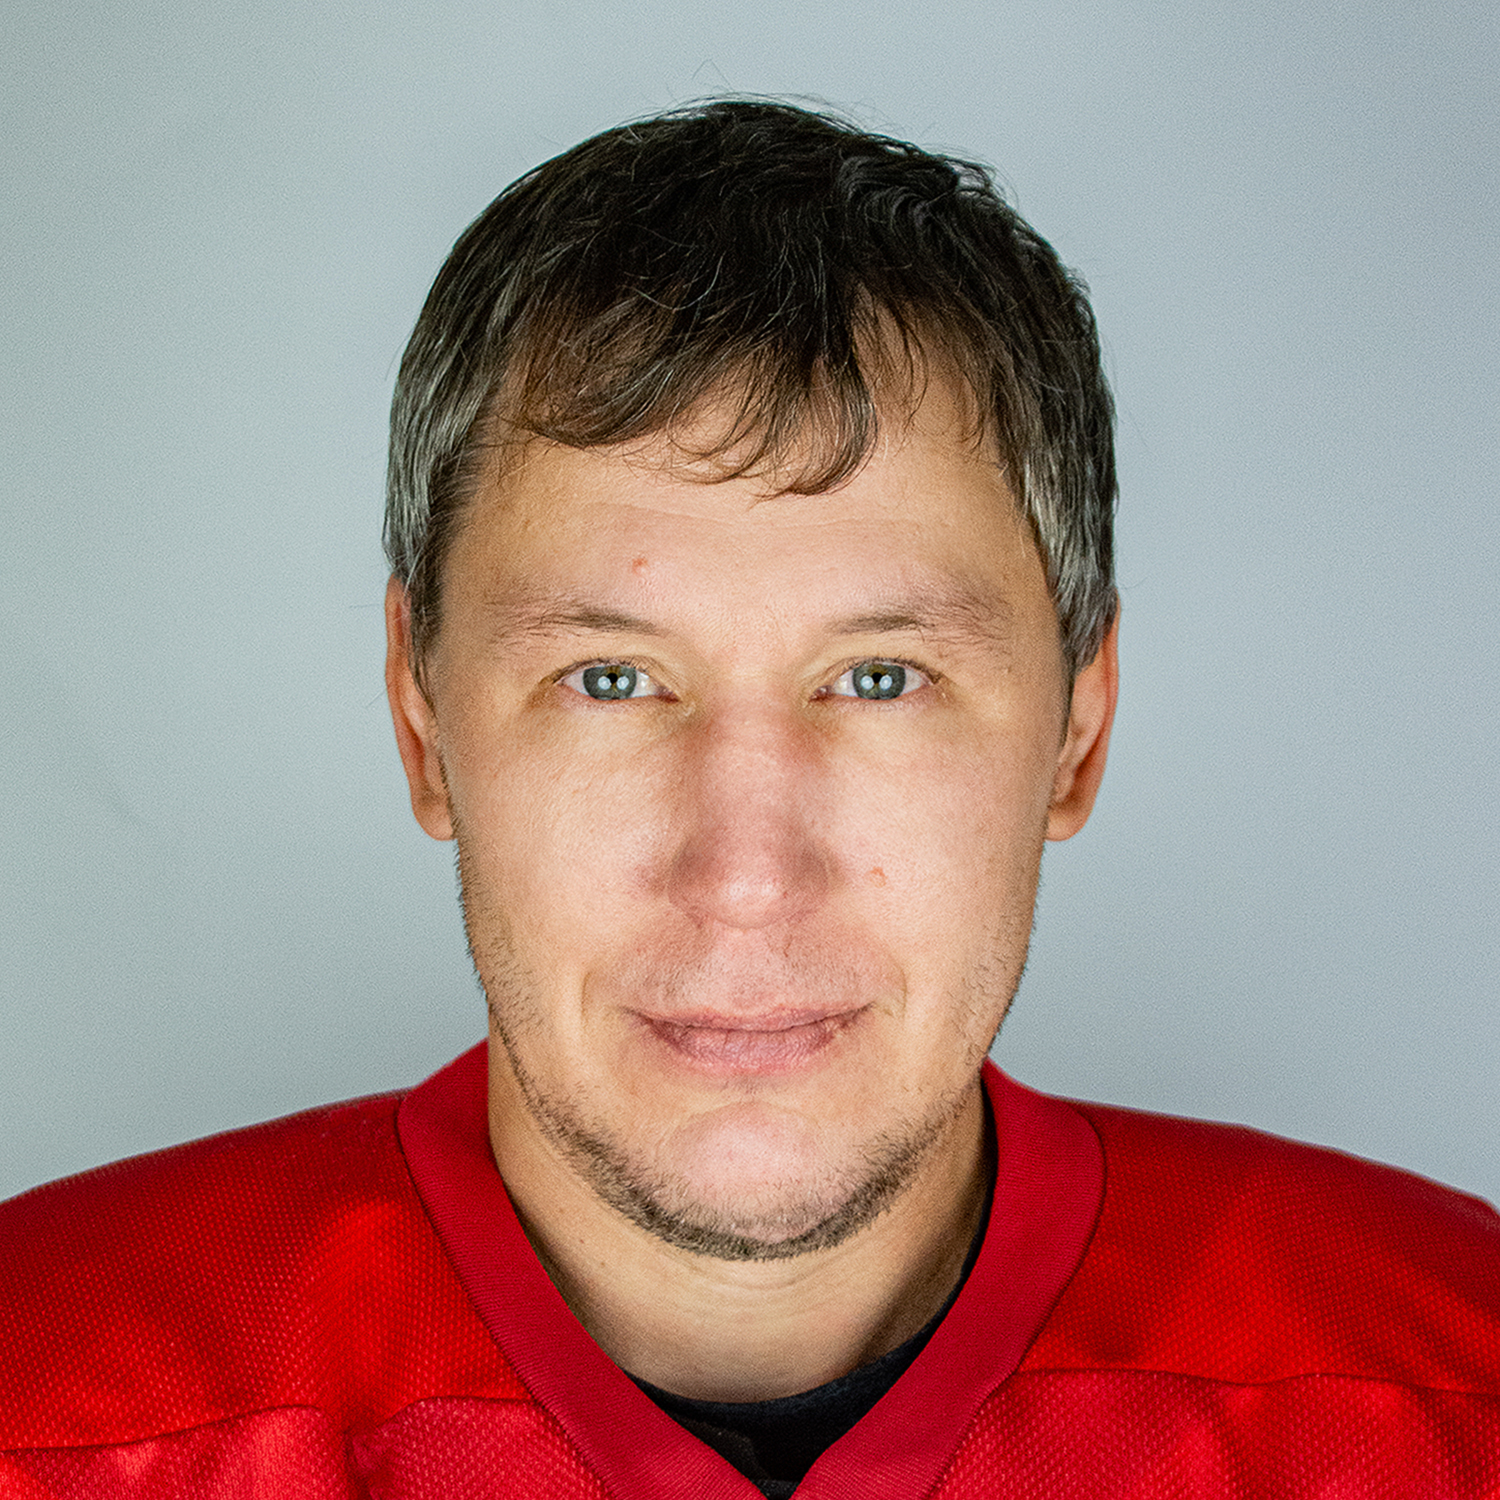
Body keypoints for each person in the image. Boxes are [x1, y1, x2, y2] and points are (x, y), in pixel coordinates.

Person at [1, 99, 1496, 1498]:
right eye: (610, 678)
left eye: (880, 678)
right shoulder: (39, 1402)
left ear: (1078, 729)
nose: (746, 875)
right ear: (422, 720)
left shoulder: (1456, 1393)